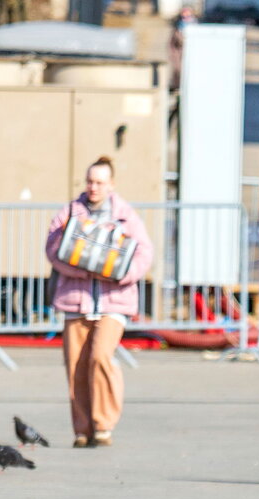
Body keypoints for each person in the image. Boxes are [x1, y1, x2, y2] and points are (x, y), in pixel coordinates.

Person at [45, 156, 153, 448]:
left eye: (100, 182)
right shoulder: (70, 212)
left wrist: (121, 274)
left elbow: (144, 252)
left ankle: (103, 424)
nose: (93, 187)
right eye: (90, 181)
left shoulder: (125, 214)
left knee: (100, 357)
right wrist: (83, 268)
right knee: (76, 365)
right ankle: (82, 430)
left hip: (113, 302)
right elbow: (53, 249)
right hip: (75, 301)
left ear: (111, 184)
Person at [168, 6, 198, 92]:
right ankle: (177, 87)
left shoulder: (195, 25)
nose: (185, 14)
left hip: (190, 54)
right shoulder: (178, 25)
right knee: (178, 72)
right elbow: (173, 44)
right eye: (184, 12)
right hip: (179, 55)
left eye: (187, 12)